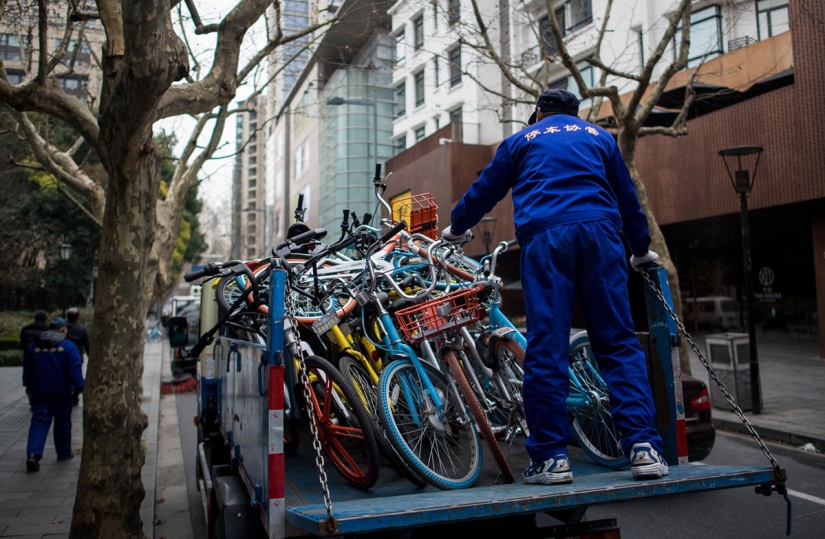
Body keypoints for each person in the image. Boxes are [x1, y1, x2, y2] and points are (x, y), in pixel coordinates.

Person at [443, 89, 667, 485]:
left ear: (538, 112)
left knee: (547, 346)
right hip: (601, 234)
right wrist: (640, 250)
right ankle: (644, 449)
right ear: (574, 114)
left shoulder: (520, 141)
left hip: (547, 240)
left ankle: (552, 459)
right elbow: (627, 198)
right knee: (617, 342)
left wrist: (457, 227)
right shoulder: (600, 138)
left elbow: (486, 190)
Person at [22, 317, 85, 472]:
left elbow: (27, 368)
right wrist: (82, 388)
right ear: (63, 329)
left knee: (39, 422)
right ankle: (63, 453)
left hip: (39, 392)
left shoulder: (34, 346)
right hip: (61, 392)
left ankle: (33, 454)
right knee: (62, 422)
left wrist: (28, 386)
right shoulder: (68, 347)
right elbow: (74, 371)